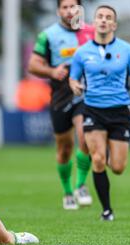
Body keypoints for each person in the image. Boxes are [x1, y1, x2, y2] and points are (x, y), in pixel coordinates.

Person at [69, 5, 130, 221]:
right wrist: (75, 86)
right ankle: (106, 210)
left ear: (114, 24)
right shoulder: (82, 52)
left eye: (108, 18)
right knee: (97, 159)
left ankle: (104, 155)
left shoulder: (127, 50)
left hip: (120, 112)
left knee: (118, 167)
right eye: (100, 17)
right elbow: (73, 78)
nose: (103, 20)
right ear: (94, 22)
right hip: (93, 110)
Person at [28, 0, 95, 210]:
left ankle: (81, 185)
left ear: (80, 9)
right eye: (65, 7)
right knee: (64, 148)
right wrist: (52, 71)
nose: (69, 11)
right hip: (60, 96)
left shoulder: (91, 32)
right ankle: (67, 192)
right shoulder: (48, 35)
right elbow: (33, 65)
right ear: (58, 11)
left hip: (86, 95)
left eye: (73, 6)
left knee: (86, 136)